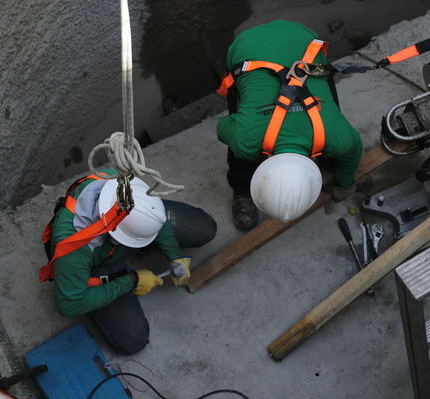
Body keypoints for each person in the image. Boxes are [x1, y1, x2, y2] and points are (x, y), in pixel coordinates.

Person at [40, 169, 216, 354]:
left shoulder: (120, 184)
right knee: (134, 340)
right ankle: (129, 255)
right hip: (99, 263)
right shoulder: (74, 251)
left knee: (204, 228)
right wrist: (131, 281)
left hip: (120, 234)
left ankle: (141, 240)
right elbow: (70, 304)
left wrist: (174, 255)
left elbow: (148, 216)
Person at [217, 20, 363, 231]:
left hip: (299, 41)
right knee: (241, 147)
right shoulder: (245, 140)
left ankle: (243, 186)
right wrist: (344, 185)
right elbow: (224, 128)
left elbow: (354, 149)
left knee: (244, 137)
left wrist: (345, 184)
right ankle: (242, 190)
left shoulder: (337, 137)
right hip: (261, 46)